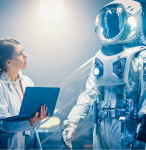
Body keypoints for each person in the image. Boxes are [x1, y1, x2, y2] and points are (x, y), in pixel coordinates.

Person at [62, 0, 146, 149]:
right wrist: (72, 122)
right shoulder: (98, 58)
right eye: (107, 23)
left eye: (114, 22)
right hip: (100, 129)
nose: (110, 27)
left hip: (129, 131)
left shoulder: (141, 57)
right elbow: (89, 95)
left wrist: (142, 136)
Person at [0, 38, 49, 149]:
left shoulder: (27, 81)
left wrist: (37, 118)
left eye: (23, 51)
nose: (25, 55)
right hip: (10, 144)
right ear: (9, 62)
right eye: (20, 53)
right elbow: (3, 124)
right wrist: (28, 122)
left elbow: (32, 121)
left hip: (29, 143)